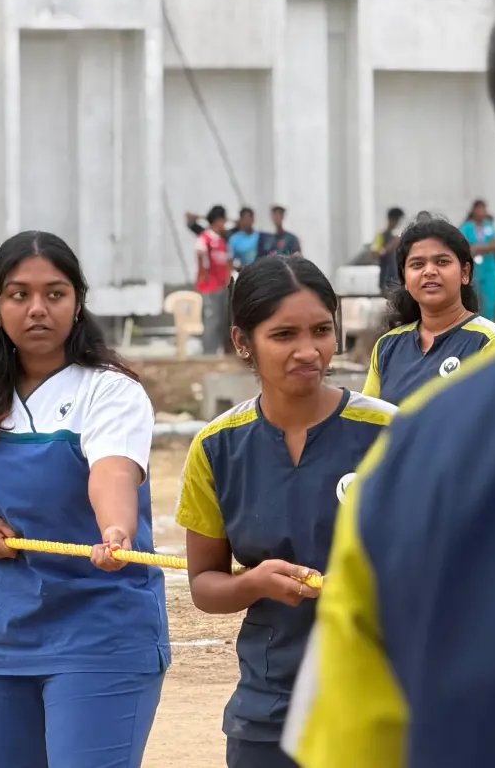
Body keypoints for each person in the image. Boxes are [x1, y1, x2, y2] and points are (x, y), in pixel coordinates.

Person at [280, 0, 495, 768]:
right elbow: (372, 433)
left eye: (441, 263)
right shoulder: (389, 360)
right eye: (415, 264)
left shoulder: (484, 357)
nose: (427, 276)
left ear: (467, 268)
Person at [0, 230, 170, 768]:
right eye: (19, 294)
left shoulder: (110, 390)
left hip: (100, 630)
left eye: (55, 293)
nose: (37, 308)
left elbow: (111, 472)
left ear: (78, 302)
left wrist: (115, 528)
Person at [176, 256, 395, 768]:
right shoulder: (215, 448)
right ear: (242, 341)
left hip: (381, 703)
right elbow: (204, 585)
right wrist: (254, 584)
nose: (308, 350)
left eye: (322, 330)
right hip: (269, 711)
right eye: (284, 334)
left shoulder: (393, 434)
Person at [361, 216, 495, 404]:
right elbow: (367, 421)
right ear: (405, 278)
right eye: (417, 264)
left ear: (465, 273)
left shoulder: (491, 344)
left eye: (442, 262)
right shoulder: (386, 347)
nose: (429, 271)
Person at [196, 206, 233, 355]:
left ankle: (221, 351)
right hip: (209, 287)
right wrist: (204, 275)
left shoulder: (223, 239)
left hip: (222, 286)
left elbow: (228, 260)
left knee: (222, 320)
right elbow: (201, 256)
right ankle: (209, 352)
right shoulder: (205, 238)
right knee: (211, 319)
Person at [461, 198, 495, 322]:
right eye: (479, 209)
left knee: (490, 302)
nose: (481, 212)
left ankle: (490, 326)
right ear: (473, 210)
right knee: (475, 300)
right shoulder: (467, 227)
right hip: (474, 271)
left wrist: (478, 248)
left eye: (484, 209)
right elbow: (466, 248)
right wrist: (486, 247)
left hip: (490, 270)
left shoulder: (489, 226)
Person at [370, 207, 405, 296]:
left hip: (398, 278)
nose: (396, 223)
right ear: (390, 219)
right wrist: (391, 245)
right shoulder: (381, 235)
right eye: (395, 219)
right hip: (386, 279)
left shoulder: (399, 235)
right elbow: (375, 254)